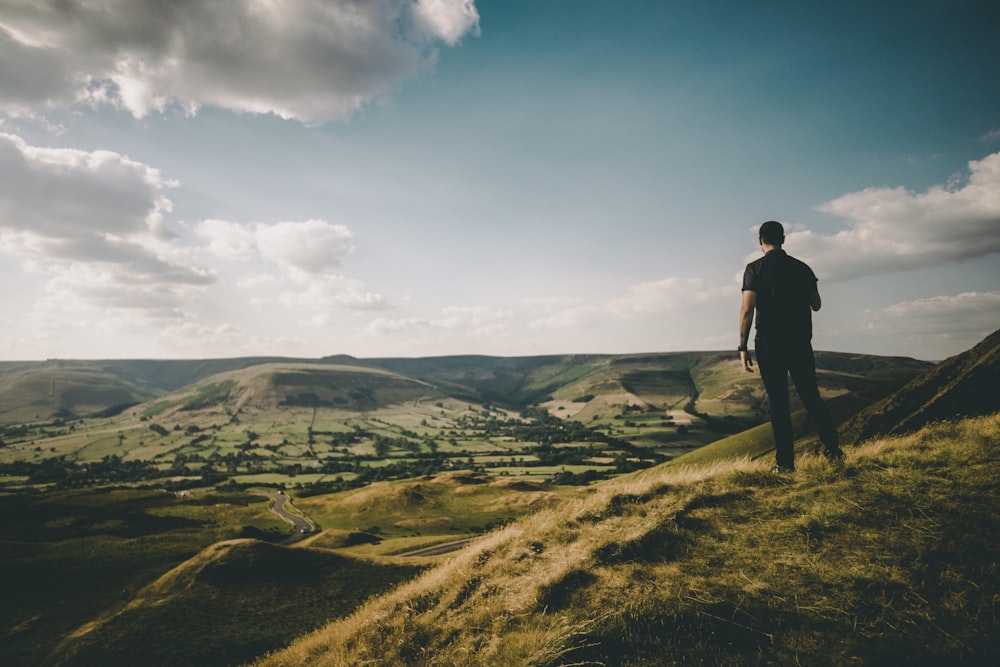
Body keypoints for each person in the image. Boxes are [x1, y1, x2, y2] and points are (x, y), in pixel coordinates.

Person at [739, 220, 843, 472]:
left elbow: (747, 309)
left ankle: (785, 464)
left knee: (778, 404)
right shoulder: (802, 268)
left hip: (769, 344)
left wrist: (742, 346)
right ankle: (834, 452)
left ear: (760, 240)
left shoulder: (754, 269)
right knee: (812, 398)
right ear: (783, 239)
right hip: (799, 342)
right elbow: (816, 304)